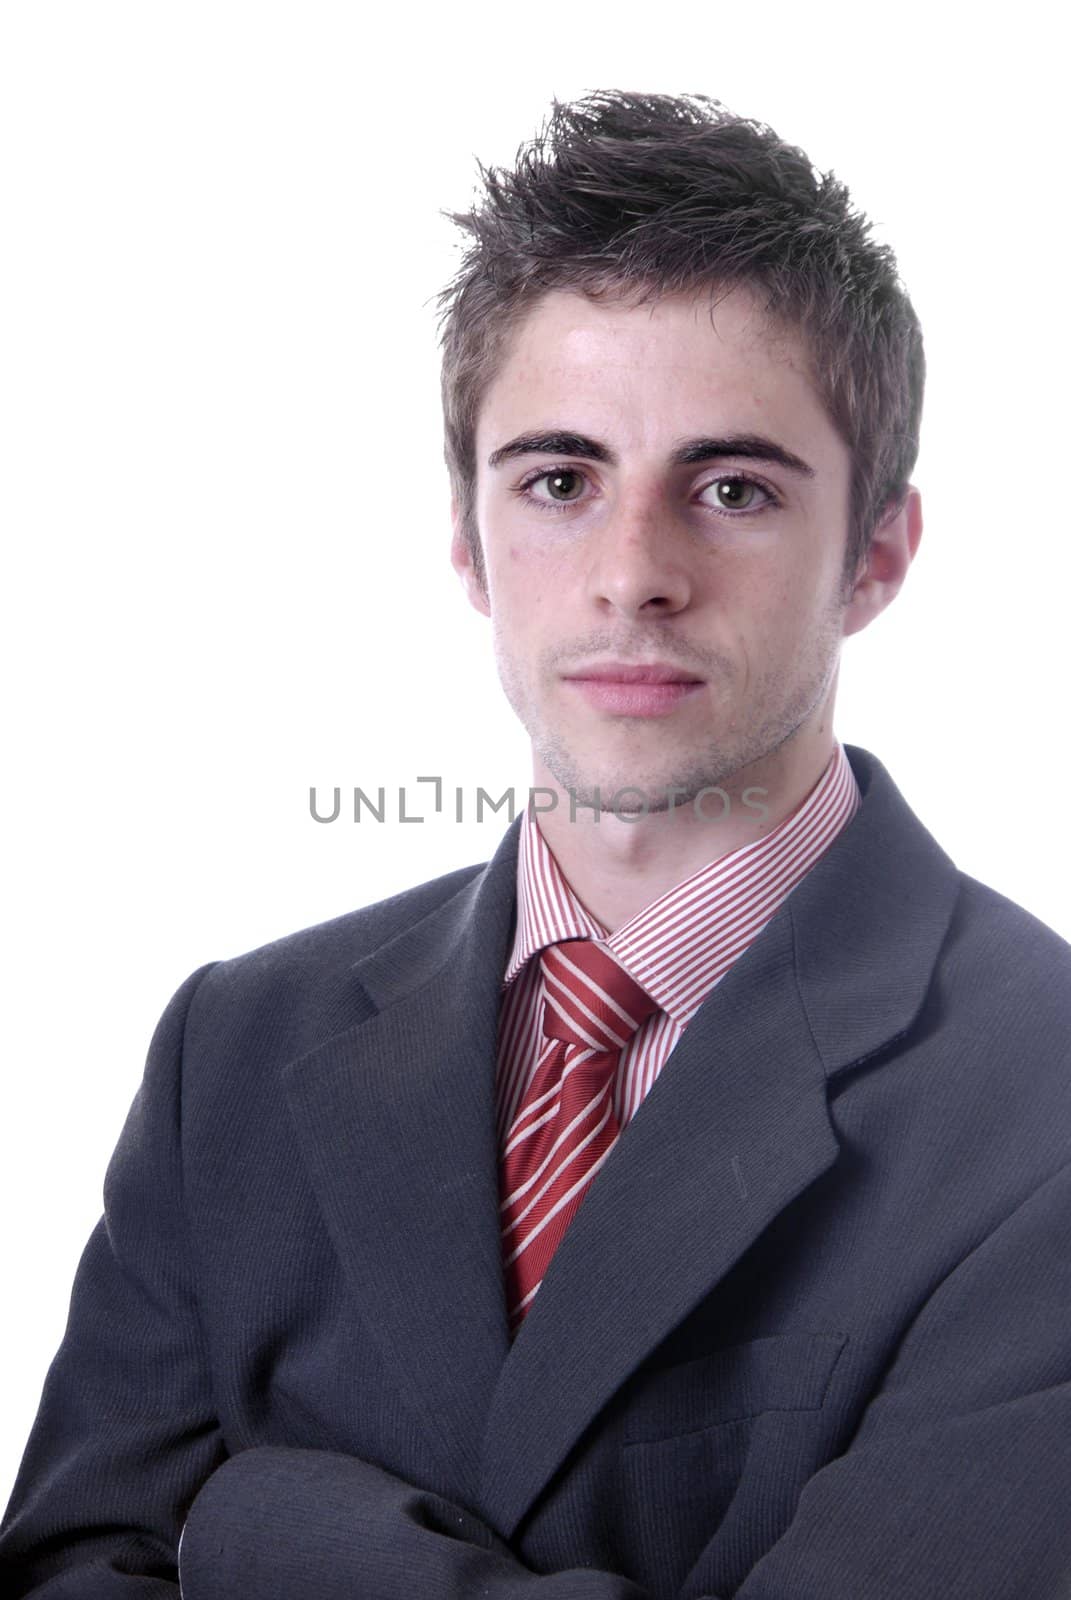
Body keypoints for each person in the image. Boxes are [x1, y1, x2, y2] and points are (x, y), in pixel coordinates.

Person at [2, 88, 1069, 1600]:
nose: (635, 574)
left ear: (877, 557)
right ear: (468, 538)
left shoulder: (1046, 1105)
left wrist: (256, 1529)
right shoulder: (232, 1053)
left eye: (733, 488)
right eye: (561, 481)